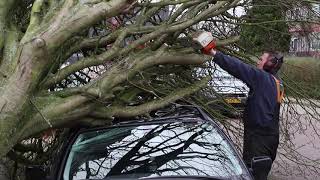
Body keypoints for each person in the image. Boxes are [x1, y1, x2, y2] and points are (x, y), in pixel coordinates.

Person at [193, 32, 284, 180]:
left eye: (261, 60)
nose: (258, 62)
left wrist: (213, 53)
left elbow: (238, 68)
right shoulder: (276, 82)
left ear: (269, 64)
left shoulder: (262, 78)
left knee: (252, 174)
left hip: (259, 139)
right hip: (268, 138)